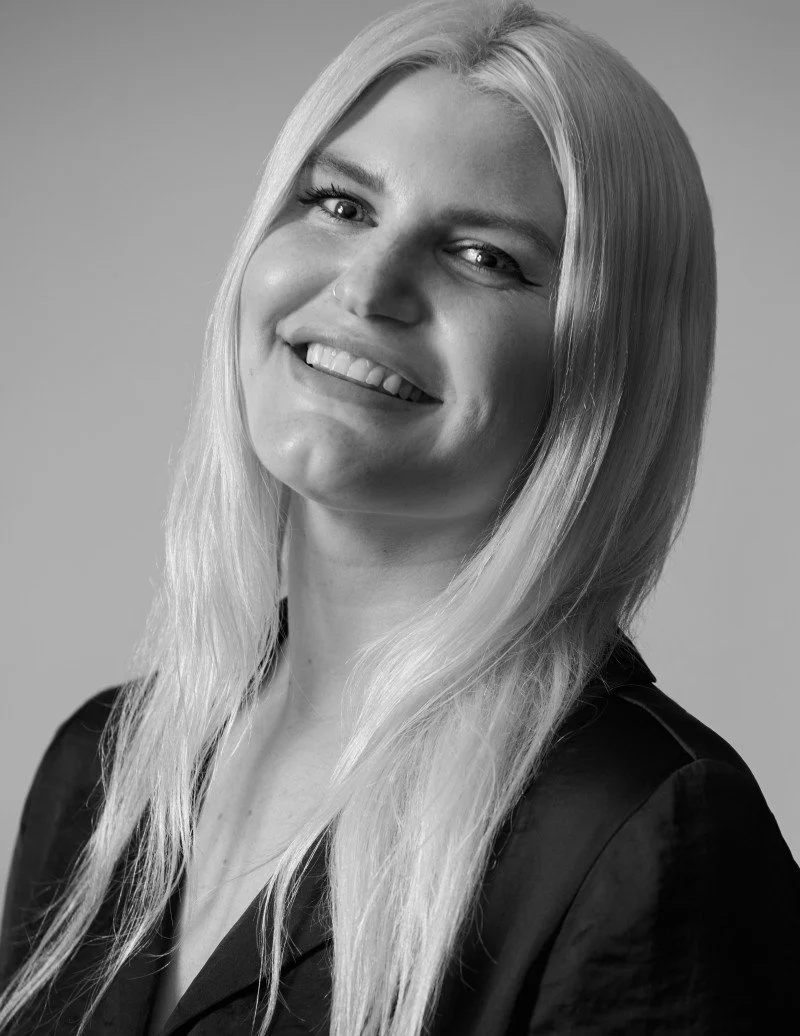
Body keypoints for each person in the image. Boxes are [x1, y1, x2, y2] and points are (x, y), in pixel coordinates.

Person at [1, 0, 798, 1032]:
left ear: (604, 363)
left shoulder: (644, 832)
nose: (369, 286)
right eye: (340, 204)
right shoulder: (107, 769)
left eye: (483, 255)